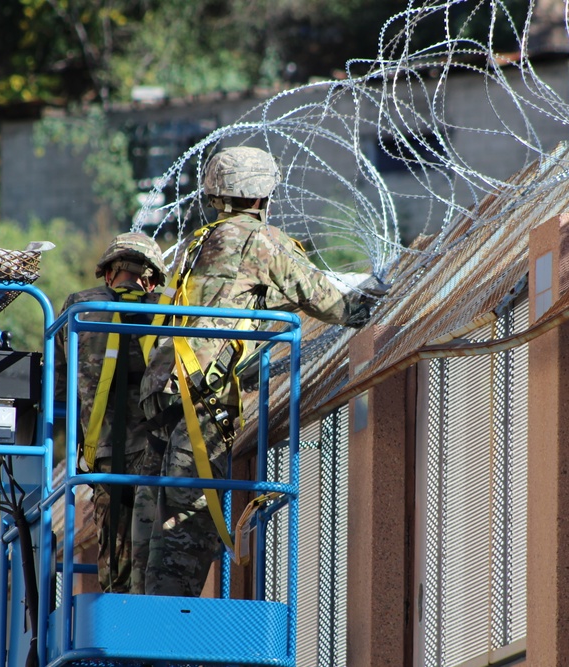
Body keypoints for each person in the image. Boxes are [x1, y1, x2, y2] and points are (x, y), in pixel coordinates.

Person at [134, 145, 378, 597]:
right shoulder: (260, 241)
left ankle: (137, 624)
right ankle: (164, 639)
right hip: (202, 394)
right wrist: (375, 303)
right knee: (186, 524)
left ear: (215, 193)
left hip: (162, 391)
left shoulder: (197, 243)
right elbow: (326, 299)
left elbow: (233, 300)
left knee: (150, 518)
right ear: (264, 194)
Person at [54, 232, 168, 593]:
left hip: (103, 453)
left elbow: (58, 383)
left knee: (116, 551)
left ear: (108, 274)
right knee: (156, 554)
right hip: (159, 454)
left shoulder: (79, 309)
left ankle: (118, 626)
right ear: (149, 278)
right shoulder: (169, 310)